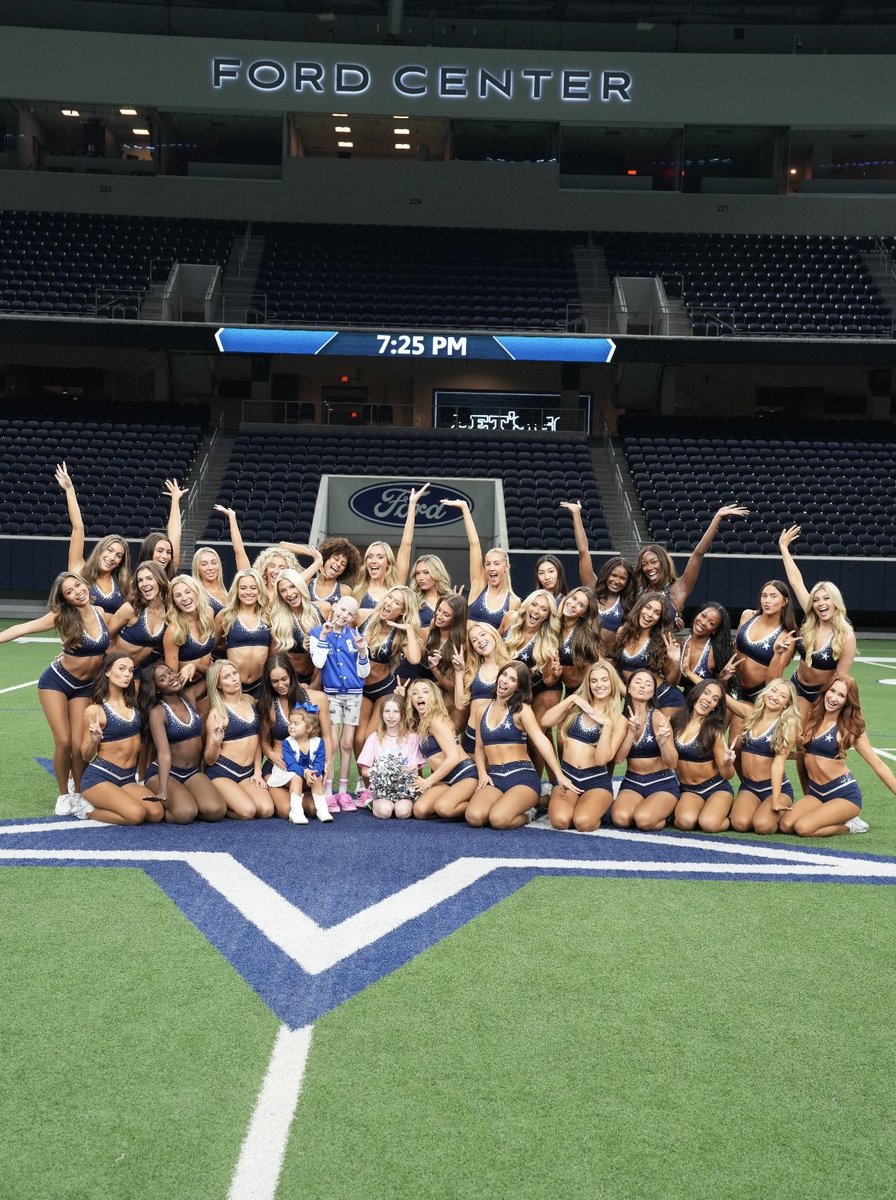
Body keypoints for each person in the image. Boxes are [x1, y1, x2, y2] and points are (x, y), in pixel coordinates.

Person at [0, 571, 115, 814]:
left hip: (85, 687)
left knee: (78, 744)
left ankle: (80, 790)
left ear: (84, 584)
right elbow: (23, 627)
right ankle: (63, 794)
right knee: (63, 741)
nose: (76, 593)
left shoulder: (102, 613)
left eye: (77, 586)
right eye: (69, 593)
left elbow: (118, 638)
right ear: (65, 600)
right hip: (57, 682)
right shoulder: (62, 616)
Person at [466, 662, 578, 830]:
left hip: (521, 778)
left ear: (518, 688)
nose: (505, 681)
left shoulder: (522, 711)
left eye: (512, 680)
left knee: (498, 819)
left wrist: (558, 775)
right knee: (474, 817)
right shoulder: (481, 709)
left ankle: (529, 813)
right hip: (495, 777)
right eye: (504, 675)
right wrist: (482, 773)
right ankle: (531, 801)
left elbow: (541, 741)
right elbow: (479, 747)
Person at [779, 676, 894, 838]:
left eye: (841, 695)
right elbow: (804, 758)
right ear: (826, 691)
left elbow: (879, 765)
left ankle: (851, 826)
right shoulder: (812, 717)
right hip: (816, 793)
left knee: (803, 828)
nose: (833, 698)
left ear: (848, 701)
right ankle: (833, 816)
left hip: (844, 795)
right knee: (785, 825)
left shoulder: (850, 728)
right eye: (832, 691)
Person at [773, 526, 857, 714]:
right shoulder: (812, 616)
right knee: (787, 734)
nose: (820, 604)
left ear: (836, 602)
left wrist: (829, 707)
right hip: (796, 685)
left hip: (820, 694)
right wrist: (784, 548)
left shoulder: (846, 636)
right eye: (817, 600)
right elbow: (796, 581)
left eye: (826, 599)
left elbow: (841, 679)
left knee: (806, 741)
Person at [540, 659, 627, 832]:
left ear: (612, 683)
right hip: (568, 778)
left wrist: (606, 725)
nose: (599, 685)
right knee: (560, 821)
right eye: (594, 681)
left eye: (604, 680)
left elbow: (603, 759)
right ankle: (559, 800)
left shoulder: (619, 720)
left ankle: (596, 807)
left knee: (583, 823)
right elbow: (545, 721)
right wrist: (571, 698)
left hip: (595, 781)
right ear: (588, 684)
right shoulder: (577, 708)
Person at [80, 653, 163, 825]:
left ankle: (116, 801)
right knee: (136, 815)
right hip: (100, 778)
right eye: (122, 669)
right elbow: (85, 756)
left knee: (156, 813)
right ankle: (86, 810)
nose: (127, 674)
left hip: (126, 778)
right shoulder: (95, 710)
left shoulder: (133, 704)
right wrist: (94, 740)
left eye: (131, 670)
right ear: (108, 672)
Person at [634, 503, 750, 622]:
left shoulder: (679, 588)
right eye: (644, 564)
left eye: (654, 562)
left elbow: (698, 554)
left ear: (663, 563)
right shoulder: (637, 590)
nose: (649, 567)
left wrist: (717, 518)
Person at [141, 661, 226, 823]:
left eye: (170, 672)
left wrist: (195, 666)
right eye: (163, 679)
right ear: (156, 688)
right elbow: (164, 753)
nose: (171, 677)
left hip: (192, 773)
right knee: (185, 814)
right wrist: (163, 790)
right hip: (166, 773)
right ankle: (162, 805)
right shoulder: (157, 712)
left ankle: (186, 796)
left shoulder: (190, 696)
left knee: (216, 811)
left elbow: (215, 675)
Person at [309, 594, 370, 811]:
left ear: (354, 617)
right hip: (332, 694)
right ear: (334, 607)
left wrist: (362, 650)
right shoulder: (317, 633)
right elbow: (318, 661)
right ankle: (327, 790)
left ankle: (344, 792)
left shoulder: (356, 636)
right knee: (332, 743)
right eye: (342, 610)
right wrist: (324, 636)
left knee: (347, 743)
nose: (344, 615)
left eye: (350, 613)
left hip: (354, 694)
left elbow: (364, 671)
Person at [257, 653, 333, 819]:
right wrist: (270, 754)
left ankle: (304, 795)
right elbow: (263, 741)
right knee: (286, 811)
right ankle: (282, 794)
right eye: (275, 681)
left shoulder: (318, 699)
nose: (280, 685)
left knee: (313, 810)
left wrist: (327, 762)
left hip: (310, 768)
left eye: (284, 679)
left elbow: (327, 736)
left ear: (291, 674)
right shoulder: (267, 704)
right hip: (280, 770)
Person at [502, 589, 563, 790]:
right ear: (527, 605)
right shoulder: (510, 620)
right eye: (535, 605)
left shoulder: (547, 639)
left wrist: (554, 674)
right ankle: (553, 782)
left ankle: (534, 787)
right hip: (510, 687)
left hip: (540, 689)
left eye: (543, 609)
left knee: (534, 734)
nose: (537, 611)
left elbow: (546, 679)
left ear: (548, 616)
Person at [724, 679, 801, 835]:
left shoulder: (786, 726)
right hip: (749, 787)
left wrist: (776, 799)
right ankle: (759, 808)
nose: (775, 697)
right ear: (766, 692)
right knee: (739, 824)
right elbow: (723, 697)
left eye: (782, 695)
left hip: (773, 788)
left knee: (762, 826)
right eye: (773, 691)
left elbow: (778, 765)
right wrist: (690, 673)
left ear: (787, 703)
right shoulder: (750, 715)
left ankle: (782, 813)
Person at [55, 461, 131, 614]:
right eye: (109, 550)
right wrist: (69, 490)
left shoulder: (123, 583)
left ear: (120, 562)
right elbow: (78, 527)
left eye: (118, 555)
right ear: (100, 550)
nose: (112, 557)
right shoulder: (80, 572)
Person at [356, 585, 424, 752]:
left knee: (370, 737)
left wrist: (408, 629)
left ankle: (374, 775)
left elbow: (415, 659)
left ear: (402, 611)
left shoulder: (399, 634)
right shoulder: (364, 616)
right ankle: (363, 778)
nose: (389, 603)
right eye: (389, 597)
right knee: (358, 739)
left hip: (384, 689)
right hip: (359, 687)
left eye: (396, 603)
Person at [560, 500, 637, 646]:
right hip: (576, 653)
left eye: (622, 578)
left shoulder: (628, 604)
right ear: (607, 574)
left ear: (628, 582)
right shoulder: (592, 587)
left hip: (604, 661)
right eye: (613, 575)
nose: (616, 581)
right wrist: (576, 514)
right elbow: (583, 552)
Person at [204, 660, 274, 819]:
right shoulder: (217, 713)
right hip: (223, 772)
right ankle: (222, 804)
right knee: (248, 812)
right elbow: (209, 760)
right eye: (227, 677)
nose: (234, 679)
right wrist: (216, 741)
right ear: (219, 684)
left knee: (266, 810)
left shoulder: (249, 701)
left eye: (234, 673)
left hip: (248, 773)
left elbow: (255, 740)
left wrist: (258, 772)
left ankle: (235, 797)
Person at [612, 669, 679, 831]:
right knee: (621, 819)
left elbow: (672, 763)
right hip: (632, 782)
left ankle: (665, 814)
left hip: (661, 783)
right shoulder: (621, 719)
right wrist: (630, 732)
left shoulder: (658, 718)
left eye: (648, 684)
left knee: (643, 820)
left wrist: (663, 743)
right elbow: (619, 759)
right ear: (628, 688)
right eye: (638, 682)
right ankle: (650, 808)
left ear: (652, 692)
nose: (642, 686)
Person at [440, 497, 520, 631]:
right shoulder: (479, 586)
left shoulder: (514, 602)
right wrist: (465, 508)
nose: (491, 568)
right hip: (463, 651)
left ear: (507, 567)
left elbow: (508, 639)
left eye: (496, 563)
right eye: (487, 564)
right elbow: (474, 544)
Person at [404, 679, 480, 821]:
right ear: (411, 700)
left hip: (465, 775)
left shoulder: (436, 720)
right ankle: (452, 798)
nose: (420, 696)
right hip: (444, 780)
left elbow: (453, 757)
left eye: (425, 692)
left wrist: (428, 781)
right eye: (415, 693)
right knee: (420, 811)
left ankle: (479, 804)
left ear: (433, 697)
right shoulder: (420, 724)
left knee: (443, 808)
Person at [670, 680, 737, 833]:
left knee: (709, 824)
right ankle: (707, 810)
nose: (708, 699)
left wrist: (727, 763)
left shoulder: (714, 731)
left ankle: (730, 816)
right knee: (684, 823)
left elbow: (728, 775)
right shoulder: (675, 721)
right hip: (688, 789)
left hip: (716, 788)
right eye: (706, 693)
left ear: (715, 707)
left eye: (715, 699)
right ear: (696, 693)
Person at [352, 483, 430, 612]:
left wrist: (411, 505)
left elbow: (406, 544)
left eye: (380, 557)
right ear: (366, 562)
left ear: (388, 563)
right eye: (370, 557)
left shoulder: (395, 587)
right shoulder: (358, 591)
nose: (373, 560)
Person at [614, 591, 684, 717]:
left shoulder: (660, 642)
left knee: (661, 736)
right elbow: (613, 663)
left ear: (660, 619)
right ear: (640, 607)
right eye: (648, 607)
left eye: (657, 613)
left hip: (664, 699)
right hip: (636, 699)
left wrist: (675, 661)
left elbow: (672, 681)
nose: (650, 615)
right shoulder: (622, 632)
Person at [357, 695, 425, 819]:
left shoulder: (412, 738)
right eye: (387, 711)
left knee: (402, 812)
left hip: (404, 789)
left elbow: (415, 769)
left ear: (402, 714)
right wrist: (383, 773)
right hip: (381, 789)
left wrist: (397, 773)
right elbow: (364, 771)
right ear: (382, 714)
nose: (391, 716)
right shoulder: (374, 738)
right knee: (385, 812)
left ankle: (406, 803)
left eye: (396, 712)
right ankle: (371, 801)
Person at [454, 621, 515, 753]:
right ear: (473, 647)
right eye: (474, 640)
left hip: (498, 735)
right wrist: (459, 672)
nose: (480, 641)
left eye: (483, 634)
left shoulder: (511, 667)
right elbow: (460, 705)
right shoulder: (472, 671)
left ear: (493, 635)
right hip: (472, 735)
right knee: (474, 774)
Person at [265, 703, 330, 825]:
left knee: (317, 776)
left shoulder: (319, 743)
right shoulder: (287, 743)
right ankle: (296, 811)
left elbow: (319, 762)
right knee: (296, 778)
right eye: (290, 723)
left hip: (309, 775)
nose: (291, 726)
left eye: (296, 724)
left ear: (309, 728)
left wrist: (314, 772)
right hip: (288, 775)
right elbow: (291, 765)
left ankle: (323, 810)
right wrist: (305, 772)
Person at [215, 567, 272, 696]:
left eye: (253, 588)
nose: (248, 592)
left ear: (259, 590)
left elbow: (273, 654)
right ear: (236, 590)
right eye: (243, 588)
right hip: (233, 686)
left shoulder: (268, 616)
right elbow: (210, 647)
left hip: (261, 684)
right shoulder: (225, 616)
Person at [192, 504, 251, 614]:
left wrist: (232, 517)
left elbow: (240, 553)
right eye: (204, 564)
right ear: (197, 568)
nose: (210, 567)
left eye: (214, 562)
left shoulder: (227, 592)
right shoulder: (196, 593)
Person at [421, 593, 469, 727]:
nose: (439, 616)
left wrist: (435, 669)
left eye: (446, 615)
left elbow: (454, 689)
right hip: (427, 687)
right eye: (439, 610)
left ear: (456, 619)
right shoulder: (432, 628)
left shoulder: (461, 644)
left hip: (450, 695)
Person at [111, 561, 169, 669]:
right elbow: (105, 637)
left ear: (160, 579)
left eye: (149, 578)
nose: (144, 584)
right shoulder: (130, 609)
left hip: (134, 669)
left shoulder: (168, 611)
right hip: (112, 666)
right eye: (140, 580)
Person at [268, 568, 321, 683]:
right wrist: (293, 685)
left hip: (318, 678)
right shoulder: (279, 619)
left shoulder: (321, 610)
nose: (289, 594)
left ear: (300, 586)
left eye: (292, 586)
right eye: (283, 590)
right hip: (293, 681)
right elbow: (274, 660)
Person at [163, 574, 217, 683]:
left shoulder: (209, 613)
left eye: (188, 592)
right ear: (174, 603)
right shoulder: (174, 630)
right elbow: (172, 675)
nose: (184, 598)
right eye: (178, 595)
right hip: (186, 687)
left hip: (208, 681)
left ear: (197, 592)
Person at [551, 586, 605, 694]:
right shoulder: (554, 625)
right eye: (574, 598)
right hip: (564, 688)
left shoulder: (586, 633)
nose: (573, 605)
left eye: (581, 605)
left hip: (586, 689)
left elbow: (601, 662)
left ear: (584, 613)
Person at [134, 478, 189, 580]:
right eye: (159, 551)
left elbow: (175, 534)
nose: (165, 556)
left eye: (168, 552)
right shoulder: (134, 583)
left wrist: (175, 499)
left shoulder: (168, 576)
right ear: (148, 551)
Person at [678, 601, 733, 690]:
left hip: (704, 700)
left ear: (715, 630)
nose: (703, 622)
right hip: (679, 700)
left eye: (711, 623)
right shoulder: (679, 643)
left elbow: (721, 691)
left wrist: (723, 680)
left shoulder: (715, 653)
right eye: (703, 615)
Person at [308, 536, 362, 614]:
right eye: (336, 559)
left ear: (344, 570)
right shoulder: (308, 581)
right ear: (326, 557)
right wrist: (318, 559)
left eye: (343, 564)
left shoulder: (345, 591)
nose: (338, 564)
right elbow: (283, 546)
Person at [409, 553, 453, 629]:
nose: (421, 578)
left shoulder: (450, 599)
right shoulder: (412, 599)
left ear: (437, 573)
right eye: (417, 573)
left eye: (426, 572)